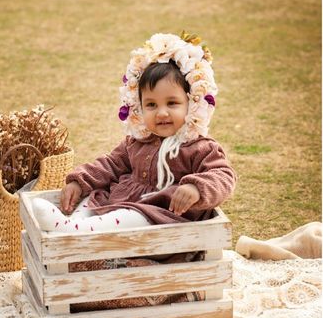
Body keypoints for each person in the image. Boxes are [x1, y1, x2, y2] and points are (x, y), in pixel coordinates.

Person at [32, 31, 236, 233]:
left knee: (130, 218)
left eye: (172, 103)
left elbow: (223, 175)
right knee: (95, 197)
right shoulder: (138, 141)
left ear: (191, 103)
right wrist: (79, 181)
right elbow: (109, 164)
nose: (161, 113)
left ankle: (72, 230)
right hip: (125, 202)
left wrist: (196, 188)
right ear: (139, 106)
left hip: (161, 216)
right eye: (151, 105)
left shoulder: (201, 147)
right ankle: (75, 223)